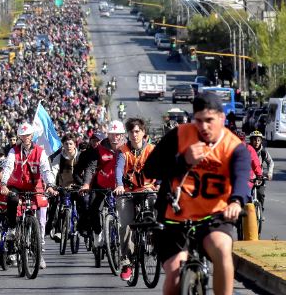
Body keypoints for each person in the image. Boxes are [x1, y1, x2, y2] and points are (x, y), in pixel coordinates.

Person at [143, 92, 250, 295]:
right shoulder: (179, 135)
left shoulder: (234, 147)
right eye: (198, 121)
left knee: (221, 249)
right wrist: (182, 160)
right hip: (174, 218)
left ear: (222, 118)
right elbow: (150, 170)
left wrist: (235, 202)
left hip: (214, 217)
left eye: (209, 120)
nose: (203, 127)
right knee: (173, 278)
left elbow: (241, 180)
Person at [0, 122, 57, 269]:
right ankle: (13, 228)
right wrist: (3, 184)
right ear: (19, 136)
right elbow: (8, 167)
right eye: (23, 135)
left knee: (38, 216)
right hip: (16, 185)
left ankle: (38, 252)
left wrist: (50, 185)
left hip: (34, 185)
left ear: (32, 136)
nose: (26, 137)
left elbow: (45, 169)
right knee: (12, 200)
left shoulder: (40, 151)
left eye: (28, 135)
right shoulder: (13, 151)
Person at [115, 117, 156, 281]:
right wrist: (119, 185)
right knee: (125, 225)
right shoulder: (123, 151)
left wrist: (158, 184)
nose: (134, 134)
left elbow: (161, 168)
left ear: (143, 133)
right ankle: (126, 263)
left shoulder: (152, 150)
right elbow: (118, 169)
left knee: (159, 210)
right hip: (128, 192)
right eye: (131, 132)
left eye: (137, 131)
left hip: (148, 190)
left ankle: (155, 242)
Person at [87, 120, 125, 247]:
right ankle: (98, 233)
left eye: (118, 134)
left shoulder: (126, 148)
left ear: (122, 135)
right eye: (112, 134)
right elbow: (91, 167)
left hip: (121, 186)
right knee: (93, 208)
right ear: (108, 135)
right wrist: (86, 184)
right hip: (102, 185)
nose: (115, 137)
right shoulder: (100, 149)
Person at [48, 133, 88, 241]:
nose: (68, 146)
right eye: (66, 144)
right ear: (63, 145)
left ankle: (83, 227)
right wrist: (51, 185)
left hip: (78, 187)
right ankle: (58, 230)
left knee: (84, 204)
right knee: (61, 206)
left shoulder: (80, 156)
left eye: (71, 143)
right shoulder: (59, 157)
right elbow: (53, 171)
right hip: (64, 187)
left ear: (75, 145)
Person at [248, 130, 274, 208]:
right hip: (249, 177)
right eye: (254, 140)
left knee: (261, 194)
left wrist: (269, 173)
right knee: (246, 196)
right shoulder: (247, 150)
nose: (256, 142)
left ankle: (260, 212)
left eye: (258, 140)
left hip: (260, 177)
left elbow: (271, 162)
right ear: (251, 140)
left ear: (261, 141)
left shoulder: (263, 152)